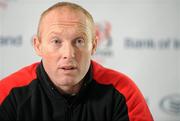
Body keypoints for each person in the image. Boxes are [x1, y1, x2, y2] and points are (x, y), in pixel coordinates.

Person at [0, 2, 153, 121]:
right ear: (37, 45)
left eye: (79, 41)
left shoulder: (123, 92)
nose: (68, 54)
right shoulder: (8, 94)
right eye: (56, 41)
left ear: (93, 46)